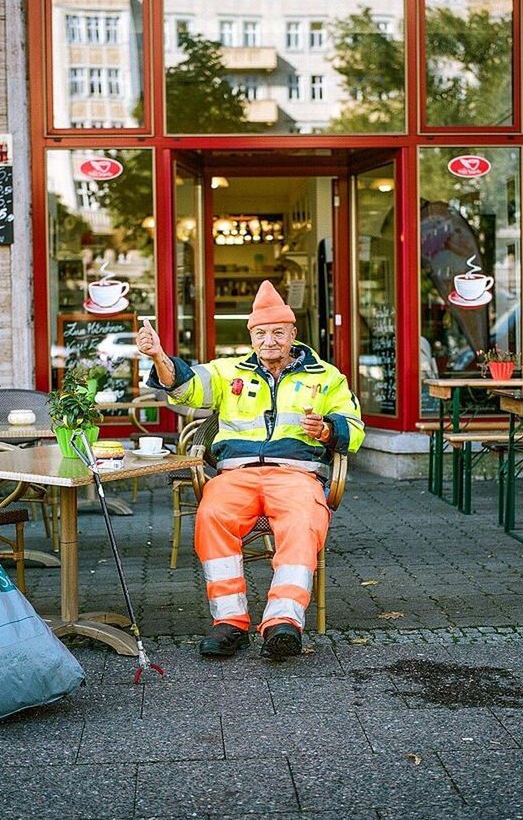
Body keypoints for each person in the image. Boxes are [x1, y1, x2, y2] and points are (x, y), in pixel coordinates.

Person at [138, 280, 364, 660]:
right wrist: (160, 356)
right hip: (236, 475)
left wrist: (327, 429)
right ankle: (229, 622)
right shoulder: (228, 372)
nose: (269, 340)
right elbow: (187, 387)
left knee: (302, 521)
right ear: (251, 336)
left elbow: (354, 429)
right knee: (211, 515)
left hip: (297, 475)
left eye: (278, 332)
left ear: (293, 333)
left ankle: (283, 622)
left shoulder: (326, 376)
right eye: (261, 333)